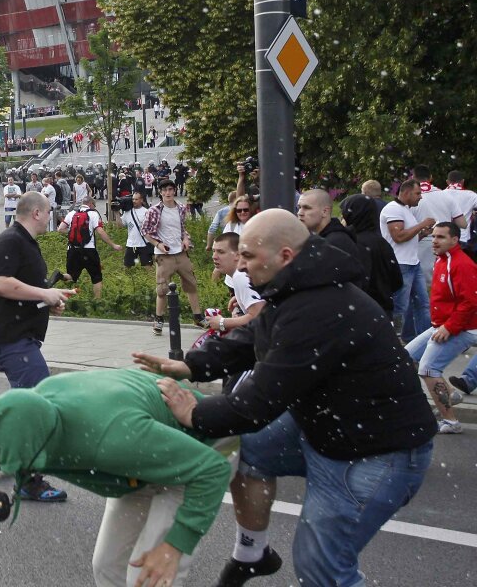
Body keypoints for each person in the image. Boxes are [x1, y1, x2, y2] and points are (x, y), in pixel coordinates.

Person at [135, 209, 435, 587]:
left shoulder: (318, 307)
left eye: (248, 256)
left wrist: (194, 413)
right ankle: (252, 553)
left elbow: (258, 402)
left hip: (375, 453)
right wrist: (191, 366)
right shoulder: (299, 288)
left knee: (321, 568)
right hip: (334, 427)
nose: (240, 266)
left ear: (285, 256)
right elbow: (256, 337)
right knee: (246, 449)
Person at [0, 368, 235, 587]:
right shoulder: (15, 405)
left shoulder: (112, 439)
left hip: (200, 452)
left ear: (46, 451)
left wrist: (174, 546)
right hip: (140, 464)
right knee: (107, 567)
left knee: (147, 577)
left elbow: (211, 470)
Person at [0, 190, 73, 503]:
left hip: (18, 338)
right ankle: (29, 481)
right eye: (48, 211)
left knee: (24, 404)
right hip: (10, 340)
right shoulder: (11, 240)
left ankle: (2, 452)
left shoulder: (25, 242)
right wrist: (44, 295)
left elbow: (25, 288)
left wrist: (49, 300)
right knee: (37, 406)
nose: (51, 216)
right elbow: (0, 284)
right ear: (36, 213)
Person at [404, 221, 476, 434]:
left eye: (441, 237)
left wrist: (450, 327)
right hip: (441, 325)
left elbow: (470, 302)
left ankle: (451, 422)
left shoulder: (461, 264)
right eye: (434, 236)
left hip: (461, 328)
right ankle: (450, 394)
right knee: (405, 357)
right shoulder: (442, 260)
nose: (435, 241)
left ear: (455, 239)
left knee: (428, 369)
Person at [142, 179, 205, 335]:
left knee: (191, 284)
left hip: (181, 252)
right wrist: (158, 244)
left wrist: (186, 239)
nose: (168, 193)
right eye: (164, 190)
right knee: (162, 288)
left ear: (175, 191)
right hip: (164, 255)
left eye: (170, 189)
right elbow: (145, 231)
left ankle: (198, 316)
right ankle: (159, 319)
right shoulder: (154, 210)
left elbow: (182, 228)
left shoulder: (181, 208)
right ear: (160, 192)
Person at [380, 177, 435, 340]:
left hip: (413, 263)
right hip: (400, 264)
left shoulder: (405, 210)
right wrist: (422, 224)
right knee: (400, 306)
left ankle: (422, 339)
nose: (420, 197)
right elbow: (398, 237)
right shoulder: (393, 209)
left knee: (422, 303)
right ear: (406, 193)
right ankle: (395, 338)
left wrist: (422, 234)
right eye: (417, 193)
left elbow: (407, 239)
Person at [338, 193, 402, 314]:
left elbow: (358, 281)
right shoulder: (381, 242)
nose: (342, 217)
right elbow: (397, 279)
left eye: (344, 213)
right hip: (383, 308)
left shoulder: (352, 243)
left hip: (361, 310)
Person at [58, 197, 122, 302]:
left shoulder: (72, 213)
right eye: (94, 205)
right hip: (89, 250)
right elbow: (100, 231)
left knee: (71, 276)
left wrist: (73, 233)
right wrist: (113, 245)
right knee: (96, 277)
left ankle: (59, 276)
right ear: (91, 204)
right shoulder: (93, 214)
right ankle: (97, 302)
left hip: (72, 250)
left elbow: (60, 229)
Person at [120, 191, 153, 268]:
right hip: (131, 244)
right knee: (127, 266)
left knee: (148, 267)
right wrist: (116, 213)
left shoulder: (146, 212)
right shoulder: (127, 212)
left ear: (141, 200)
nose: (134, 201)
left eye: (136, 199)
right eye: (133, 199)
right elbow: (120, 226)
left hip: (144, 243)